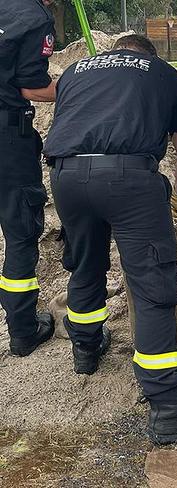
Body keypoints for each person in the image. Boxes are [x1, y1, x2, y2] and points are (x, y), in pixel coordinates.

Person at [43, 34, 177, 445]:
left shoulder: (76, 70)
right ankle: (168, 407)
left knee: (86, 263)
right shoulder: (164, 74)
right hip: (129, 180)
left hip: (67, 177)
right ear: (148, 55)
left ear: (115, 54)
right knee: (151, 285)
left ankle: (86, 350)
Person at [0, 0, 58, 357]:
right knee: (21, 230)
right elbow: (31, 85)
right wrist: (78, 86)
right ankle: (23, 330)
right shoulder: (35, 17)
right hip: (6, 137)